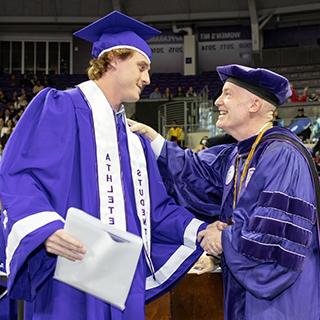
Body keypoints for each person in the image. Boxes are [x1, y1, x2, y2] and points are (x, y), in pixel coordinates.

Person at [0, 11, 211, 320]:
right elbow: (20, 174)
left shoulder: (135, 143)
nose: (148, 79)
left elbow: (158, 212)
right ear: (113, 59)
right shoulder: (61, 108)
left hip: (120, 285)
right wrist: (44, 229)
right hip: (67, 277)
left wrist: (204, 233)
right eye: (141, 67)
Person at [129, 64, 320, 320]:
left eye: (228, 94)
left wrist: (221, 241)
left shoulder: (282, 155)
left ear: (254, 104)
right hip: (245, 293)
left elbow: (276, 237)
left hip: (280, 301)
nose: (218, 101)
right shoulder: (238, 155)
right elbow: (198, 179)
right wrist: (154, 141)